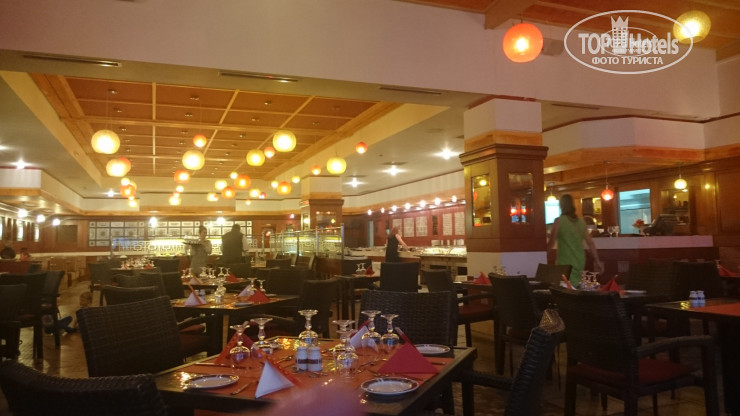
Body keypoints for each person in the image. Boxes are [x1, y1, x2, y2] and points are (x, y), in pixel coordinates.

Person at [547, 194, 603, 287]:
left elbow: (551, 243)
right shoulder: (581, 222)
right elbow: (590, 243)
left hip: (565, 259)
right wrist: (597, 261)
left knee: (565, 285)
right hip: (579, 259)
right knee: (576, 284)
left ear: (561, 206)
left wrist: (541, 256)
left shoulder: (559, 221)